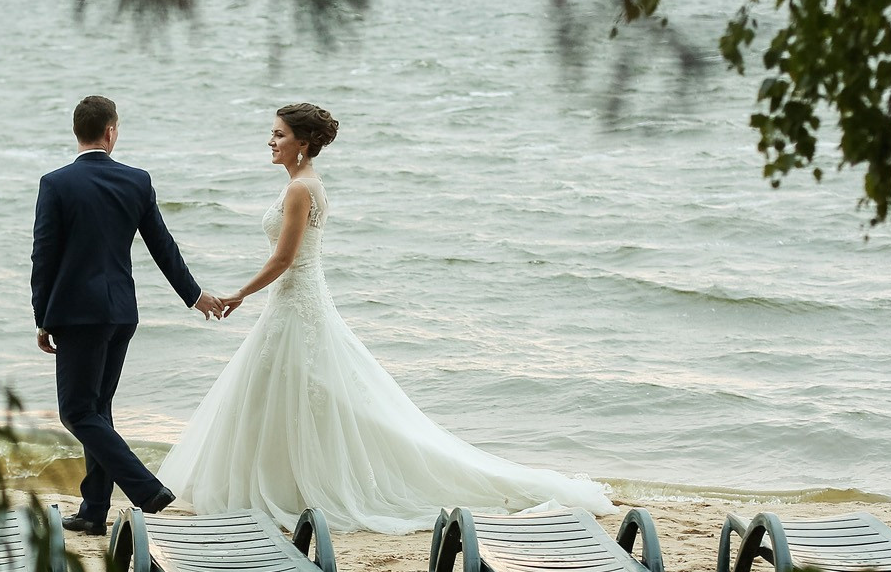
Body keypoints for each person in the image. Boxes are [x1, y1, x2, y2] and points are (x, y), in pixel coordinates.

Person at [158, 102, 613, 533]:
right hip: (295, 301)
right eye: (272, 134)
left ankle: (291, 487)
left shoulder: (301, 189)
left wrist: (239, 294)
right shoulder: (302, 184)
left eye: (278, 134)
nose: (270, 141)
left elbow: (283, 259)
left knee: (295, 393)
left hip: (296, 302)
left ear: (303, 142)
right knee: (282, 395)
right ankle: (285, 485)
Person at [33, 95, 223, 535]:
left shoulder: (55, 183)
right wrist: (195, 296)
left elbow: (43, 256)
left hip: (76, 316)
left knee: (77, 414)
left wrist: (42, 317)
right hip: (121, 312)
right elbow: (163, 246)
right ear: (111, 131)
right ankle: (93, 511)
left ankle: (145, 487)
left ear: (77, 131)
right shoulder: (136, 181)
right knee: (97, 409)